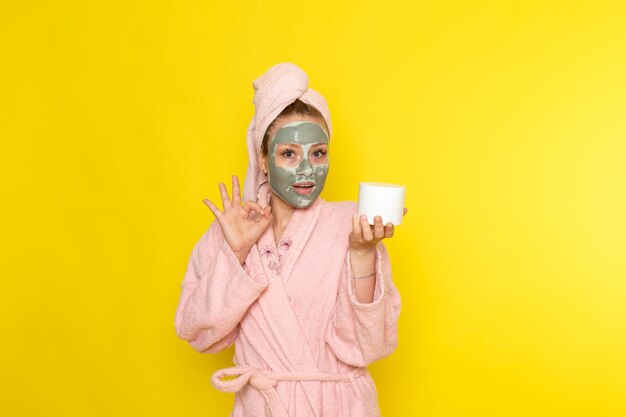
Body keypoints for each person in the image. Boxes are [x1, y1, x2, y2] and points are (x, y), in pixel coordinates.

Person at [174, 63, 403, 417]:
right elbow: (196, 332)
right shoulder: (230, 230)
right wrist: (235, 252)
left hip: (340, 407)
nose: (306, 169)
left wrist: (361, 254)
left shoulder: (353, 225)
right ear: (263, 160)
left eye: (318, 153)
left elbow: (368, 347)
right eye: (288, 154)